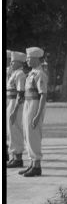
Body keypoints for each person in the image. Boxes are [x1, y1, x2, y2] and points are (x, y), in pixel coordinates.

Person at [19, 47, 48, 177]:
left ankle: (37, 166)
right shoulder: (31, 73)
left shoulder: (40, 74)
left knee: (34, 135)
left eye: (29, 58)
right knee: (27, 134)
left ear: (36, 59)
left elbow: (43, 95)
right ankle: (32, 163)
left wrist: (37, 115)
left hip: (34, 105)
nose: (27, 60)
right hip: (27, 103)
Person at [6, 51, 27, 168]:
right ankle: (14, 156)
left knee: (15, 129)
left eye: (13, 61)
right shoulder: (14, 73)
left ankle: (18, 158)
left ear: (19, 63)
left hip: (14, 103)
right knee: (10, 130)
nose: (11, 63)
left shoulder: (19, 74)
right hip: (10, 101)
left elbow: (21, 93)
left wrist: (15, 109)